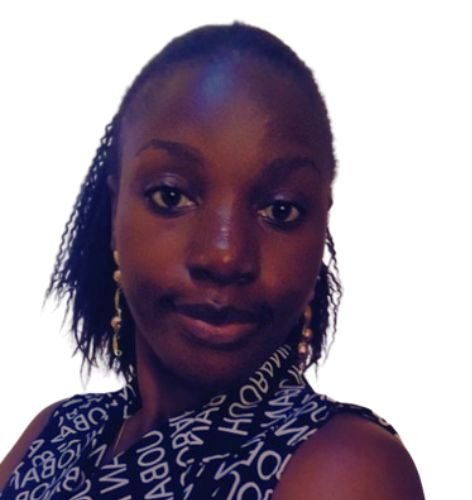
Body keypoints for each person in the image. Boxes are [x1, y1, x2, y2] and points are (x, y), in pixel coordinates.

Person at [0, 23, 424, 499]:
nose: (225, 256)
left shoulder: (345, 468)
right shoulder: (56, 432)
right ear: (116, 213)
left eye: (280, 210)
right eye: (171, 196)